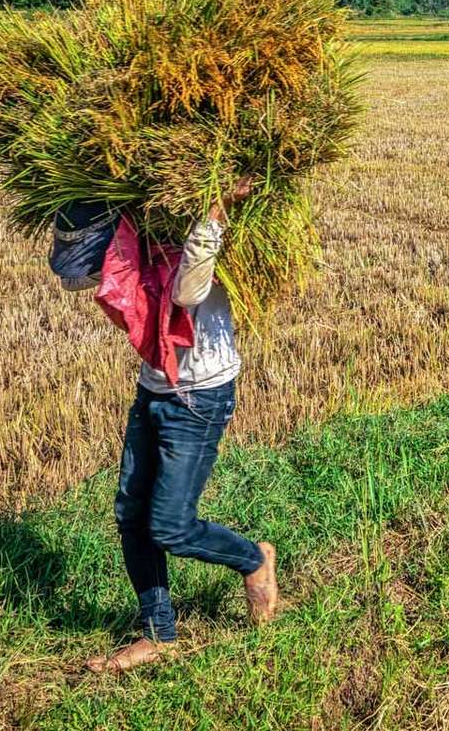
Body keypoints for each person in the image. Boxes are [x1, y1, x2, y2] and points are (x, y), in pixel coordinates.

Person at [53, 182, 280, 674]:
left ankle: (253, 560)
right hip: (153, 390)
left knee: (171, 525)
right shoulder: (146, 233)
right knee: (131, 514)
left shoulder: (196, 239)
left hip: (200, 397)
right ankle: (160, 634)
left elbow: (187, 290)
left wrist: (216, 211)